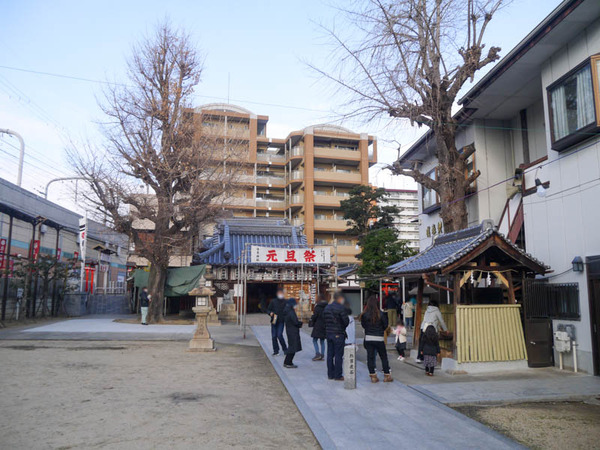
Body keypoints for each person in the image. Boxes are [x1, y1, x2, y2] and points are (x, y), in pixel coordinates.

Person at [360, 295, 393, 383]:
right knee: (383, 357)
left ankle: (373, 376)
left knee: (370, 357)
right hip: (379, 338)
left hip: (368, 338)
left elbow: (363, 325)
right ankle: (387, 375)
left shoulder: (364, 315)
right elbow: (385, 325)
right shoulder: (381, 314)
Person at [323, 292, 349, 381]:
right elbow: (346, 321)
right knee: (338, 355)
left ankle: (330, 374)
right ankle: (338, 375)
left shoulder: (327, 307)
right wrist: (341, 328)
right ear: (339, 298)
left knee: (330, 354)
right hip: (338, 333)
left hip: (329, 333)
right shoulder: (341, 308)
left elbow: (324, 320)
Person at [267, 288, 288, 356]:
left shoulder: (285, 302)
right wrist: (270, 313)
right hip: (274, 319)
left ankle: (285, 349)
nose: (280, 294)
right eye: (279, 293)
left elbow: (288, 311)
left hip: (281, 320)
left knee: (279, 335)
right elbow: (268, 309)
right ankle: (276, 351)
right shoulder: (273, 301)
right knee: (274, 336)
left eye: (281, 293)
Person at [283, 298, 302, 368]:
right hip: (293, 331)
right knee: (293, 347)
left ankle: (288, 362)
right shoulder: (290, 311)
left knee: (292, 346)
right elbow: (295, 321)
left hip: (289, 330)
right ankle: (288, 362)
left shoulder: (287, 310)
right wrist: (300, 323)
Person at [309, 294, 327, 361]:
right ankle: (322, 355)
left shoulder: (317, 307)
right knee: (322, 341)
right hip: (325, 325)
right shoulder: (327, 306)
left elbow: (315, 316)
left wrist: (312, 320)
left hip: (318, 325)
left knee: (315, 340)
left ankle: (317, 354)